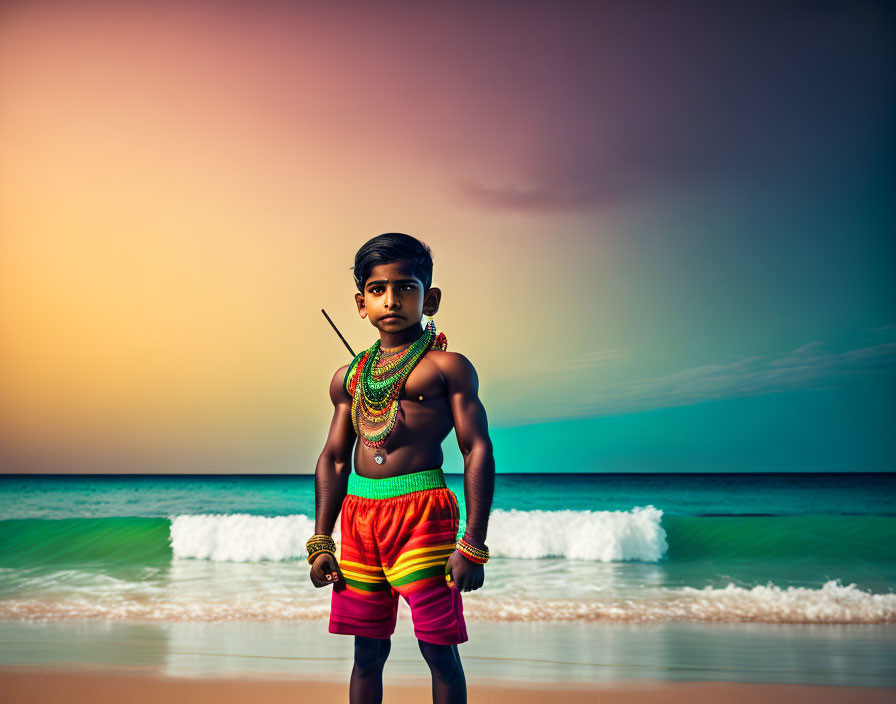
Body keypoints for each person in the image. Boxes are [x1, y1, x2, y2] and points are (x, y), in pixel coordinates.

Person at [307, 232, 495, 704]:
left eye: (406, 287)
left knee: (438, 649)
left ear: (429, 297)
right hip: (359, 517)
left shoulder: (447, 367)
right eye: (377, 289)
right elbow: (332, 458)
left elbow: (477, 449)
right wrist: (321, 541)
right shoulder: (349, 377)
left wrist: (472, 544)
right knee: (366, 653)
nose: (391, 300)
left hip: (422, 514)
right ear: (360, 303)